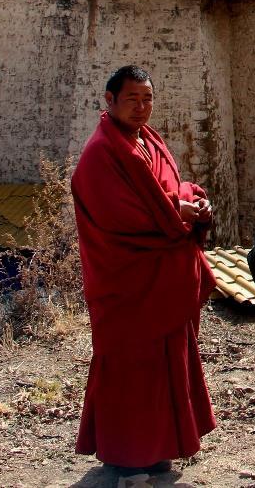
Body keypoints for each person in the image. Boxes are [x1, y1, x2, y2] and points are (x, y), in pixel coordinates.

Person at [70, 65, 216, 477]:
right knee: (130, 369)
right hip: (127, 281)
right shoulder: (100, 154)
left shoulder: (147, 141)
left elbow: (170, 188)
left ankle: (160, 448)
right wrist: (178, 212)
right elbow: (123, 217)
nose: (141, 107)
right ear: (109, 100)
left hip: (161, 278)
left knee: (167, 364)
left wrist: (194, 200)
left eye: (147, 98)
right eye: (132, 98)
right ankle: (126, 457)